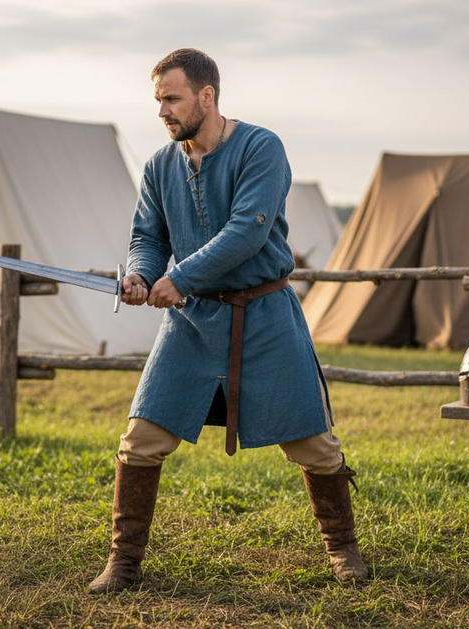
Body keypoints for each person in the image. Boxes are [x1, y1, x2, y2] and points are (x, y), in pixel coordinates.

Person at [88, 48, 367, 594]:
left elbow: (248, 232)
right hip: (192, 323)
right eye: (158, 101)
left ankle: (343, 549)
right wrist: (143, 276)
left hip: (265, 315)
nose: (162, 111)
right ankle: (123, 563)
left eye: (172, 99)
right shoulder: (158, 166)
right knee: (141, 437)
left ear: (206, 96)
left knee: (315, 446)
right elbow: (148, 237)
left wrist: (180, 278)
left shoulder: (261, 147)